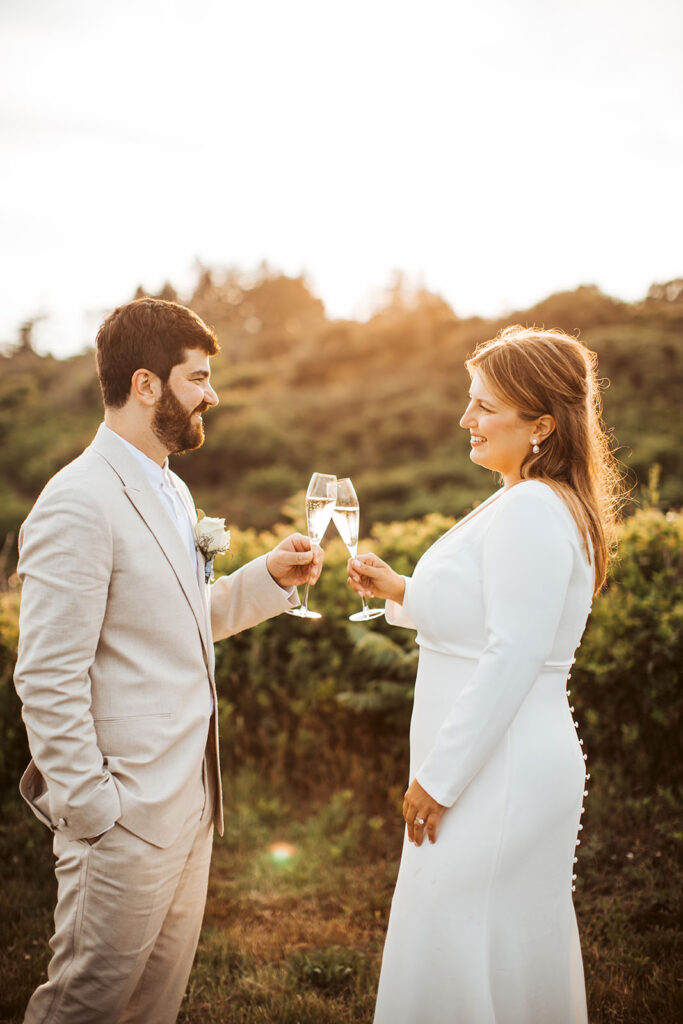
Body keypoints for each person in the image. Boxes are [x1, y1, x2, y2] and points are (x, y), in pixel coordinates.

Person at [13, 298, 322, 1024]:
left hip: (190, 799)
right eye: (198, 378)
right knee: (84, 1006)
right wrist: (91, 808)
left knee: (152, 1008)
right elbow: (46, 677)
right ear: (147, 385)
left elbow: (186, 621)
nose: (211, 394)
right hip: (122, 813)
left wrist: (267, 579)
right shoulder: (77, 502)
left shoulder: (171, 488)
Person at [348, 326, 623, 1024]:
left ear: (540, 424)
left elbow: (514, 652)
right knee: (487, 945)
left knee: (453, 947)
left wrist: (439, 778)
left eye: (483, 406)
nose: (464, 419)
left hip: (495, 767)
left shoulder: (531, 507)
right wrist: (399, 589)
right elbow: (490, 619)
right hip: (502, 757)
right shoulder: (524, 497)